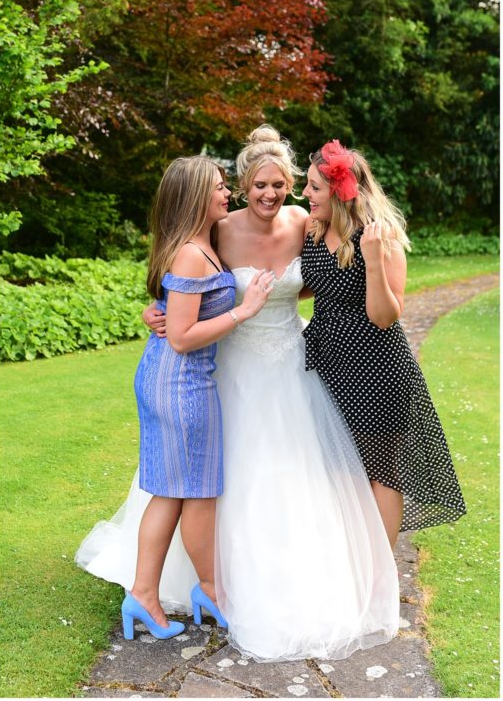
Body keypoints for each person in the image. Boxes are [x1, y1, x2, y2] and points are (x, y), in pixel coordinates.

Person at [78, 126, 400, 661]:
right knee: (209, 477)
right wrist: (155, 310)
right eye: (258, 186)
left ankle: (289, 573)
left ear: (293, 186)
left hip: (291, 365)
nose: (270, 195)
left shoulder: (305, 224)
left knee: (291, 470)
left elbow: (332, 268)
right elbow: (180, 279)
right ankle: (202, 582)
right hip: (227, 366)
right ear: (244, 185)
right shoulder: (218, 231)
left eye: (279, 185)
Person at [107, 154, 274, 641]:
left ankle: (177, 592)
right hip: (180, 381)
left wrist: (152, 311)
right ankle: (183, 592)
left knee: (182, 493)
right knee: (191, 494)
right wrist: (245, 311)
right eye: (220, 187)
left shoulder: (201, 244)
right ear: (196, 196)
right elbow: (181, 336)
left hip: (177, 378)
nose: (228, 193)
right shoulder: (189, 252)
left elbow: (172, 313)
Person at [301, 139, 466, 545]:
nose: (304, 194)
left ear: (339, 192)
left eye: (313, 187)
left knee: (380, 469)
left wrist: (372, 260)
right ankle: (352, 565)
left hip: (376, 369)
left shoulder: (380, 236)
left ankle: (380, 578)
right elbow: (304, 286)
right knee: (340, 468)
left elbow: (384, 316)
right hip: (329, 364)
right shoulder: (314, 229)